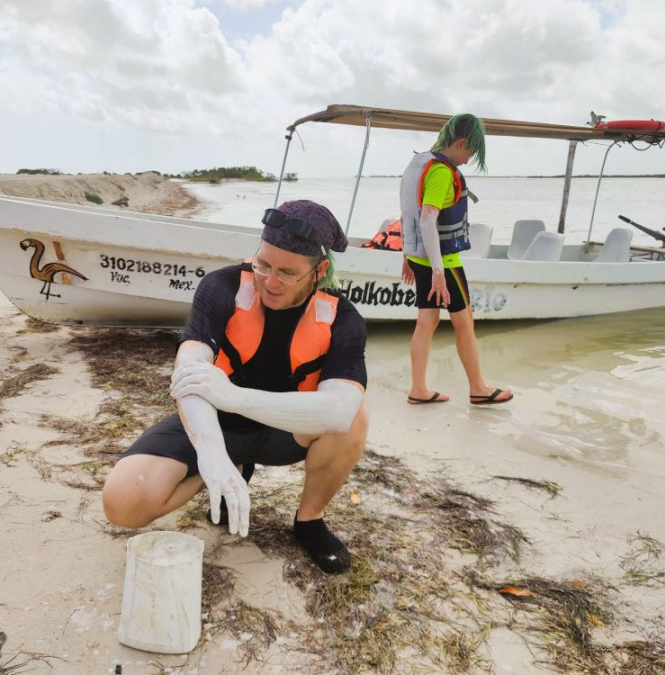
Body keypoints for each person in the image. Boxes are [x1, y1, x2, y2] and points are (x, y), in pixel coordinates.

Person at [102, 200, 369, 574]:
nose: (270, 282)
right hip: (216, 424)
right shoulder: (223, 286)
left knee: (356, 415)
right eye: (264, 264)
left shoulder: (344, 318)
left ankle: (309, 520)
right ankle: (230, 466)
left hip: (285, 433)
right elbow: (190, 369)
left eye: (288, 273)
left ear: (319, 270)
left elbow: (340, 410)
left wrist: (234, 396)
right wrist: (211, 451)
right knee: (123, 502)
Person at [399, 113, 513, 406]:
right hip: (443, 263)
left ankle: (418, 389)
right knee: (464, 322)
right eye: (469, 153)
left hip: (421, 258)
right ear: (460, 143)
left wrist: (408, 254)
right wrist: (439, 271)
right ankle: (478, 388)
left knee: (427, 320)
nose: (466, 161)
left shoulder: (418, 163)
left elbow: (407, 212)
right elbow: (426, 218)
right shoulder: (440, 172)